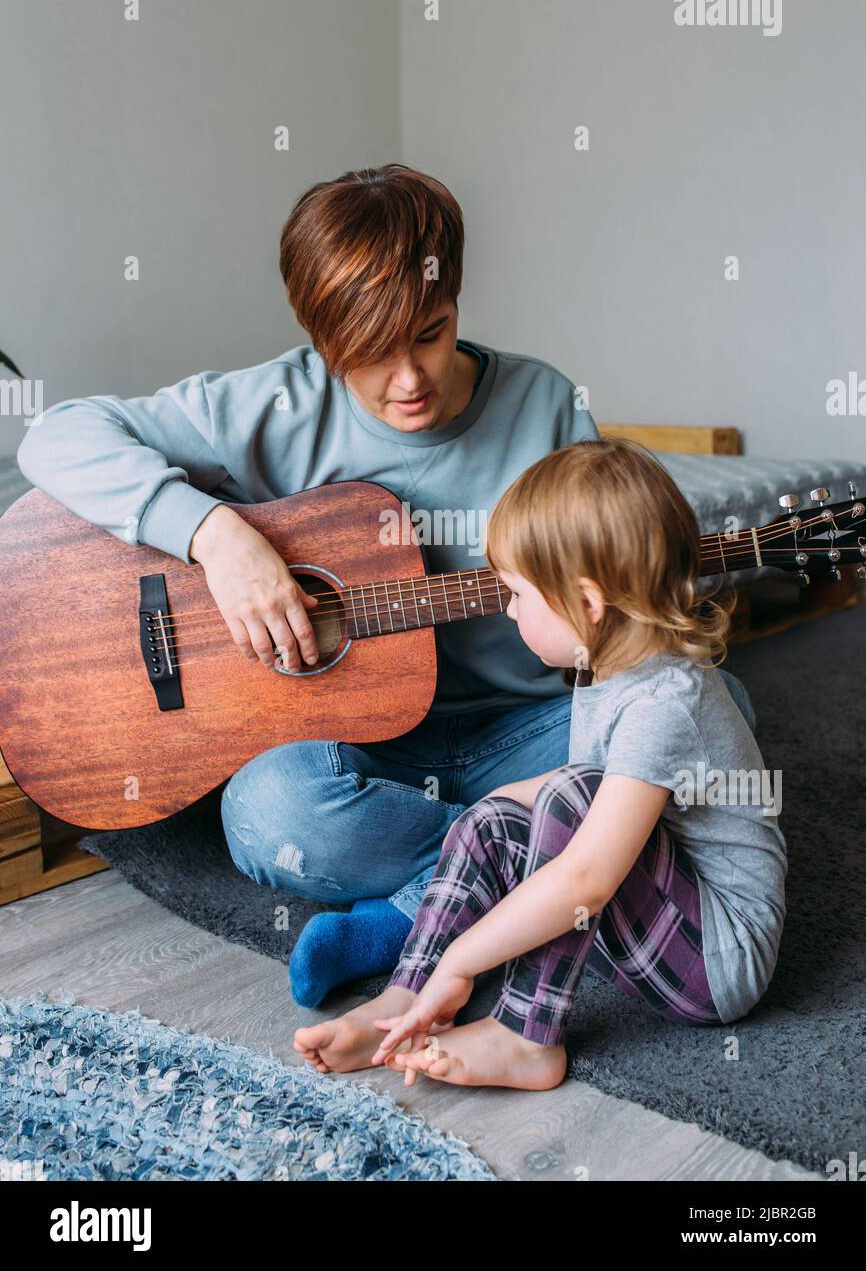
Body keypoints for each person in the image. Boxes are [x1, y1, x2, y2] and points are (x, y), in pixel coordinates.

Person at [16, 164, 756, 1006]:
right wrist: (215, 537)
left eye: (432, 334)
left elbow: (614, 606)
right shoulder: (268, 405)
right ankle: (538, 867)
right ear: (318, 332)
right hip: (362, 757)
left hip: (532, 731)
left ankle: (412, 911)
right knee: (269, 811)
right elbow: (59, 435)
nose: (410, 380)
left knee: (713, 703)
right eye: (370, 353)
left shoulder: (544, 403)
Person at [293, 438, 786, 1091]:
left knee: (572, 797)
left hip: (718, 960)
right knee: (497, 813)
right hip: (660, 914)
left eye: (518, 594)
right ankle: (404, 1001)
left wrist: (467, 960)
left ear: (585, 603)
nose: (508, 607)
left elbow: (586, 877)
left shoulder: (668, 701)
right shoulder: (606, 665)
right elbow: (549, 803)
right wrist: (484, 825)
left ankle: (526, 1034)